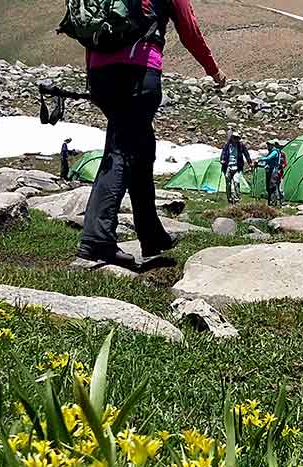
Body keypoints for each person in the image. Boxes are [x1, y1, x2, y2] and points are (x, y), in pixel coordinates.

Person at [76, 0, 225, 267]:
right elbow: (189, 29)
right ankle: (96, 239)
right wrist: (213, 69)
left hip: (101, 73)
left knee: (142, 150)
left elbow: (94, 30)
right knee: (121, 151)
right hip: (138, 70)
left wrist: (93, 76)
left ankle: (151, 234)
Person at [219, 133, 252, 205]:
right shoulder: (227, 146)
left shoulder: (240, 146)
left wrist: (249, 162)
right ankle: (229, 198)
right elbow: (223, 154)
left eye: (237, 138)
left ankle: (236, 198)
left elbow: (246, 153)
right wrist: (222, 160)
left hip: (237, 167)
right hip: (228, 167)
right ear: (232, 138)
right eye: (235, 138)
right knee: (228, 183)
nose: (236, 139)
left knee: (236, 182)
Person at [258, 141, 287, 207]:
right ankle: (271, 202)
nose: (267, 147)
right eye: (267, 145)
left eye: (269, 145)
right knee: (269, 187)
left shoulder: (274, 152)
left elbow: (268, 158)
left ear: (272, 145)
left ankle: (273, 203)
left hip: (274, 172)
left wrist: (260, 159)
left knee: (272, 187)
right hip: (270, 171)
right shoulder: (271, 152)